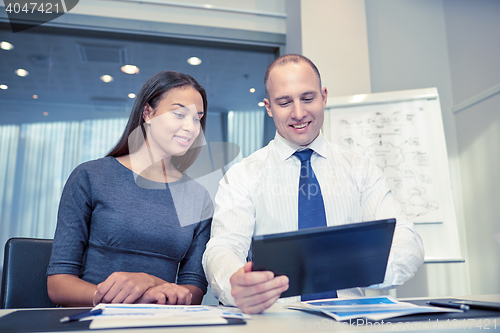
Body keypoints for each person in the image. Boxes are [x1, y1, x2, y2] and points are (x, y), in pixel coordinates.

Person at [202, 54, 425, 314]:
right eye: (284, 102)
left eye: (308, 98)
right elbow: (222, 247)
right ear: (269, 107)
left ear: (324, 97)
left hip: (351, 323)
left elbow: (408, 242)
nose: (299, 113)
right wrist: (235, 283)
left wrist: (355, 268)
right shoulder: (243, 175)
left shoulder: (361, 169)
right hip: (275, 325)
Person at [47, 71, 213, 307]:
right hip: (94, 320)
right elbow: (58, 283)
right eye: (179, 114)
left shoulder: (199, 197)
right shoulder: (90, 176)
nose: (191, 127)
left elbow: (193, 290)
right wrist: (123, 300)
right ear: (148, 113)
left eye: (197, 118)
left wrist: (148, 281)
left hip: (161, 323)